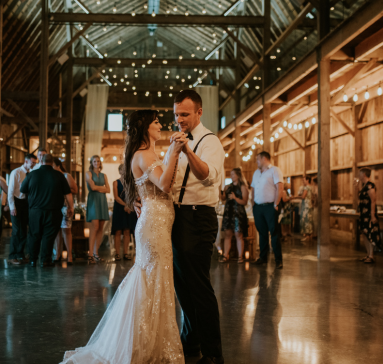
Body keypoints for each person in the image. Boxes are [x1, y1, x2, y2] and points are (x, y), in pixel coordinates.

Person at [61, 109, 187, 363]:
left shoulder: (146, 154)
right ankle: (142, 343)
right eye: (156, 122)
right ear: (144, 128)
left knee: (156, 279)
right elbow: (164, 184)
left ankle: (151, 341)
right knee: (152, 279)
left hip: (157, 223)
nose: (161, 125)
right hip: (153, 226)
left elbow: (161, 184)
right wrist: (174, 151)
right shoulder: (143, 154)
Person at [166, 90, 225, 363]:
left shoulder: (210, 141)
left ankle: (213, 354)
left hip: (199, 217)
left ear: (199, 113)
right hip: (177, 217)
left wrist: (186, 149)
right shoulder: (174, 141)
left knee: (199, 287)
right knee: (183, 287)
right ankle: (190, 343)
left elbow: (206, 175)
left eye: (185, 114)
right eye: (177, 114)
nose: (180, 119)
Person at [20, 154, 73, 267]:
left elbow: (22, 189)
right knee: (48, 236)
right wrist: (71, 207)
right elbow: (68, 194)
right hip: (53, 211)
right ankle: (45, 260)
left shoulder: (32, 174)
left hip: (35, 211)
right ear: (52, 162)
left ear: (41, 161)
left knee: (34, 235)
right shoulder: (59, 175)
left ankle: (33, 260)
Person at [251, 151, 284, 269]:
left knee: (274, 233)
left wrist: (276, 204)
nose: (256, 162)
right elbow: (253, 189)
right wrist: (253, 204)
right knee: (262, 233)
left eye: (258, 159)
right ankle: (263, 258)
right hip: (258, 207)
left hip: (271, 206)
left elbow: (280, 188)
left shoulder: (275, 170)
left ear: (264, 158)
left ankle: (278, 260)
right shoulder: (256, 173)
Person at [7, 153, 37, 265]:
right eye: (32, 162)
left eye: (35, 163)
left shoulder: (32, 173)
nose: (33, 164)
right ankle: (12, 255)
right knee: (16, 230)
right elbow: (10, 191)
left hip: (27, 202)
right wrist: (12, 207)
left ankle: (20, 255)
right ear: (26, 161)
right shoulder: (16, 172)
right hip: (17, 202)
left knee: (24, 230)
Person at [219, 168, 249, 264]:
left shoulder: (243, 186)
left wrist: (235, 198)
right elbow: (223, 199)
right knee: (228, 234)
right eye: (231, 174)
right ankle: (225, 255)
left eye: (233, 174)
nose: (231, 176)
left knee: (238, 235)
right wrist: (220, 190)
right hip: (229, 212)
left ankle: (240, 257)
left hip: (238, 213)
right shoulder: (228, 187)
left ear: (238, 175)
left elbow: (244, 201)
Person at [53, 158, 78, 264]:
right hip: (54, 207)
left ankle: (69, 256)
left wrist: (62, 191)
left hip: (65, 206)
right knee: (56, 232)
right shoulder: (53, 176)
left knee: (66, 230)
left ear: (58, 166)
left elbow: (75, 190)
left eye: (53, 165)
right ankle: (57, 255)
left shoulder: (67, 176)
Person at [85, 155, 110, 263]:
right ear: (91, 162)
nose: (96, 163)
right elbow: (92, 187)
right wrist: (102, 189)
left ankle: (96, 253)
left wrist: (99, 188)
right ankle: (90, 254)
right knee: (94, 227)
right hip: (94, 201)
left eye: (98, 161)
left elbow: (108, 189)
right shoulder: (88, 173)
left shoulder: (104, 175)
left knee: (100, 227)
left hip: (102, 201)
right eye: (94, 161)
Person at [111, 164, 137, 262]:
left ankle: (125, 253)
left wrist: (129, 205)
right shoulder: (116, 182)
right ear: (120, 171)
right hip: (119, 208)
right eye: (123, 170)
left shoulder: (131, 183)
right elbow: (116, 197)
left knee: (127, 231)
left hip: (129, 208)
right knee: (118, 231)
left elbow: (133, 195)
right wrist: (125, 205)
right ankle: (117, 254)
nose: (124, 172)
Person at [357, 168, 382, 264]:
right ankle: (368, 254)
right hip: (363, 213)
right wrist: (356, 188)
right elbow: (359, 198)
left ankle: (371, 255)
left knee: (370, 233)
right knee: (364, 232)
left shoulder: (370, 185)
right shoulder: (364, 186)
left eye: (360, 173)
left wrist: (372, 215)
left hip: (369, 213)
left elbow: (373, 200)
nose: (359, 175)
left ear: (364, 174)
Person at [292, 176, 314, 241]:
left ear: (307, 180)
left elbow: (303, 197)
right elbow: (312, 197)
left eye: (304, 180)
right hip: (309, 205)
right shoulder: (311, 187)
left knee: (306, 220)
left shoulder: (306, 187)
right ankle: (310, 235)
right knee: (309, 220)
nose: (303, 182)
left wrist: (295, 197)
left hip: (306, 206)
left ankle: (307, 235)